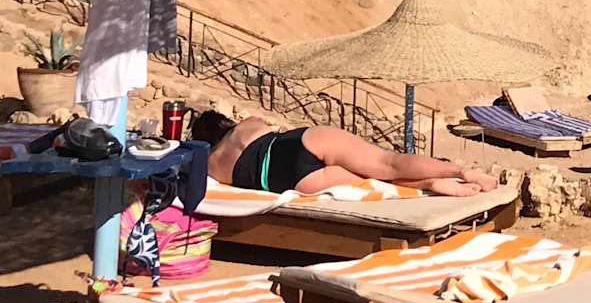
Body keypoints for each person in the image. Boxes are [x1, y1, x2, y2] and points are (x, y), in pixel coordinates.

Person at [191, 110, 497, 198]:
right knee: (387, 162)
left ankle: (429, 184)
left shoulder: (213, 166)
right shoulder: (246, 125)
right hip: (298, 144)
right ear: (224, 123)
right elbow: (264, 126)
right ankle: (459, 172)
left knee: (377, 180)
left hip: (289, 180)